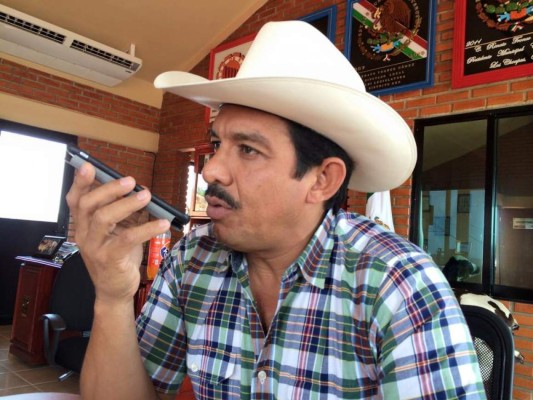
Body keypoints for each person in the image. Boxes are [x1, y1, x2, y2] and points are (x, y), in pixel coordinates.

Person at [67, 21, 486, 399]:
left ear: (322, 180)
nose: (211, 169)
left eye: (248, 149)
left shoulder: (397, 283)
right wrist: (112, 296)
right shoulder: (190, 260)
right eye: (217, 145)